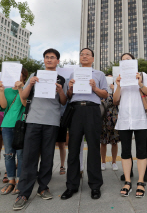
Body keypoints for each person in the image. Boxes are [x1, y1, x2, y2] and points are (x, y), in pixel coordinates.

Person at [13, 49, 67, 211]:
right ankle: (23, 192)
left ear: (58, 61)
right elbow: (23, 97)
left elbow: (63, 102)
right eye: (47, 57)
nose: (49, 60)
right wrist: (30, 83)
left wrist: (60, 91)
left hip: (52, 122)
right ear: (44, 60)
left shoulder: (61, 79)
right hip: (33, 120)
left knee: (48, 156)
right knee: (29, 156)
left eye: (52, 58)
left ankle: (43, 187)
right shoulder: (35, 75)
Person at [61, 48, 108, 200]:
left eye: (87, 54)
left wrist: (94, 88)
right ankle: (71, 186)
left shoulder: (99, 74)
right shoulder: (73, 74)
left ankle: (95, 186)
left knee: (94, 147)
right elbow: (68, 96)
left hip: (92, 110)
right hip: (75, 110)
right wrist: (70, 88)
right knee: (73, 148)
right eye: (81, 54)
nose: (84, 56)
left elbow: (106, 94)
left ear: (93, 58)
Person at [113, 53, 147, 198]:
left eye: (128, 60)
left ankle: (141, 182)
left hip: (140, 117)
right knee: (125, 151)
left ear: (134, 61)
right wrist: (117, 85)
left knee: (141, 150)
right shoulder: (118, 77)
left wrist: (140, 82)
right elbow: (115, 100)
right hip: (124, 118)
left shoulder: (142, 74)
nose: (125, 62)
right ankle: (128, 181)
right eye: (123, 60)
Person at [0, 67, 28, 195]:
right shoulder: (7, 90)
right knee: (9, 154)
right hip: (7, 125)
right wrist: (1, 91)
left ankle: (21, 181)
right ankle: (11, 180)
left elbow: (25, 103)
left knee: (21, 154)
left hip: (21, 124)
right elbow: (3, 106)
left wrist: (21, 88)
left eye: (20, 73)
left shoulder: (27, 89)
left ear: (23, 76)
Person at [100, 75, 120, 171]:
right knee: (103, 142)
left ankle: (114, 162)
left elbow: (117, 102)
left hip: (114, 118)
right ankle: (103, 162)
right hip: (103, 118)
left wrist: (114, 89)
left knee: (114, 142)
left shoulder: (116, 89)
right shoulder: (102, 90)